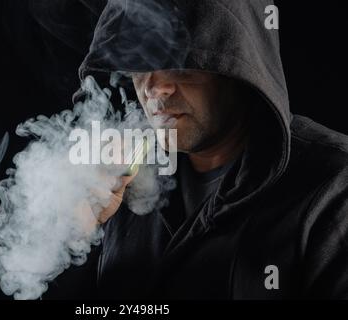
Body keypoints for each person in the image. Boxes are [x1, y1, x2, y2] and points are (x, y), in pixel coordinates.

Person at [60, 0, 348, 299]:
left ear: (238, 65)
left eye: (181, 61)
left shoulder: (334, 186)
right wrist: (75, 237)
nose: (155, 87)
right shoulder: (119, 180)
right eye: (138, 61)